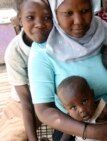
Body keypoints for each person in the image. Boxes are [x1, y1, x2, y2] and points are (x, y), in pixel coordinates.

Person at [28, 0, 107, 140]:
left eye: (85, 11)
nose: (78, 21)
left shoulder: (104, 30)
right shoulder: (43, 51)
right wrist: (93, 132)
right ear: (55, 13)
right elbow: (43, 110)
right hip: (73, 125)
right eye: (68, 13)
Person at [0, 0, 53, 140]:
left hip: (58, 98)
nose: (40, 24)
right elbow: (26, 101)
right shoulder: (14, 52)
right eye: (30, 17)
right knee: (10, 136)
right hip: (26, 101)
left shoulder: (60, 42)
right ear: (19, 20)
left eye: (47, 17)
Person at [57, 76, 107, 141]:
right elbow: (65, 138)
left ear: (92, 95)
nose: (81, 110)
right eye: (73, 107)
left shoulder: (102, 108)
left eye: (84, 101)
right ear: (66, 109)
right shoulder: (71, 120)